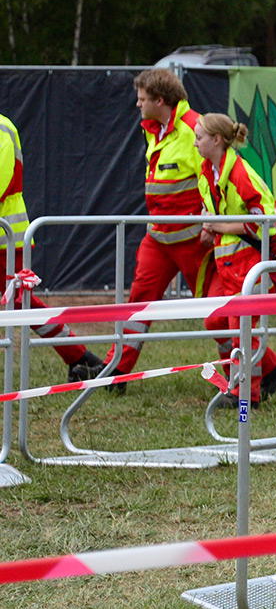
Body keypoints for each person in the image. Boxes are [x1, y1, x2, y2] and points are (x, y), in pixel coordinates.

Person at [101, 69, 214, 390]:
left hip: (193, 239)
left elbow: (212, 177)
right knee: (138, 300)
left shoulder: (195, 129)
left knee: (216, 306)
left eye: (141, 99)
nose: (137, 105)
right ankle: (116, 371)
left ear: (160, 101)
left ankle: (261, 368)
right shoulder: (155, 130)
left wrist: (209, 222)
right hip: (158, 237)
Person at [195, 113, 276, 407]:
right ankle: (258, 373)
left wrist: (221, 226)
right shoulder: (206, 171)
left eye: (199, 137)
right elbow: (211, 210)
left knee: (242, 330)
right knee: (215, 322)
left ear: (217, 140)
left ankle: (245, 397)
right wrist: (207, 228)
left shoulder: (241, 174)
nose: (195, 142)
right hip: (225, 266)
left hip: (248, 265)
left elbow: (265, 223)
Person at [0, 113, 105, 381]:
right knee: (24, 302)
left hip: (6, 238)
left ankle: (80, 357)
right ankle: (79, 356)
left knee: (23, 302)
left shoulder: (2, 128)